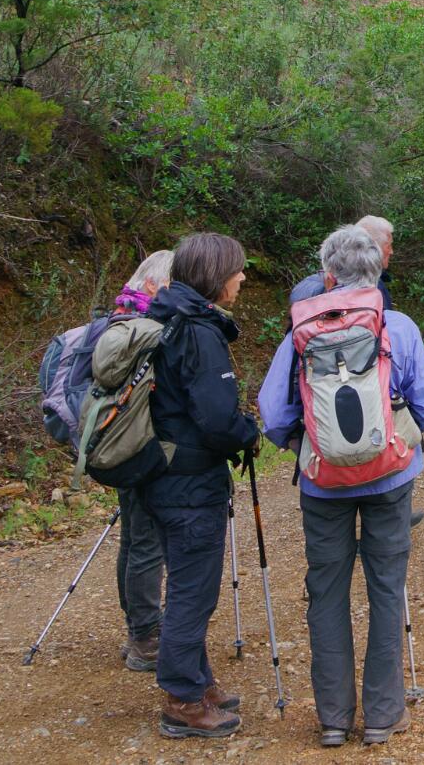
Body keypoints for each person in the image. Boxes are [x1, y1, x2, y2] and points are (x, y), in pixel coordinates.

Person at [258, 224, 424, 748]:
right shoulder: (397, 326)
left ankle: (334, 719)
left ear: (327, 275)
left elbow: (273, 413)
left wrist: (309, 445)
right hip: (390, 478)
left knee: (326, 592)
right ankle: (384, 715)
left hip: (323, 486)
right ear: (378, 270)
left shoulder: (301, 329)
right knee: (386, 587)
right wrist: (395, 438)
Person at [142, 232, 262, 740]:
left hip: (160, 475)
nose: (242, 277)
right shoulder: (198, 330)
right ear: (216, 275)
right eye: (237, 269)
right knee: (193, 592)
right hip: (190, 483)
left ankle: (198, 682)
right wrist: (248, 432)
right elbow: (216, 419)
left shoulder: (164, 317)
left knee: (187, 585)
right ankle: (183, 701)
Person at [113, 250, 174, 673]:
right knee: (147, 540)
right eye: (170, 284)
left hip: (118, 444)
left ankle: (138, 628)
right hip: (141, 445)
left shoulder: (119, 319)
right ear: (151, 284)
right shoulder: (145, 327)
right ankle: (145, 637)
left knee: (134, 538)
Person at [290, 214, 395, 312]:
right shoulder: (373, 288)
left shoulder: (305, 286)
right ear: (369, 245)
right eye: (388, 245)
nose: (391, 251)